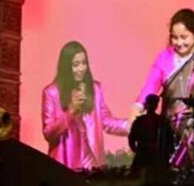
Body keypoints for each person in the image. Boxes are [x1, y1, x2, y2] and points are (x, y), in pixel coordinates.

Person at [42, 41, 129, 170]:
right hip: (64, 164)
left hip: (92, 163)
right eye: (76, 65)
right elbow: (48, 133)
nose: (81, 68)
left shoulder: (95, 89)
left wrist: (132, 125)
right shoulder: (51, 93)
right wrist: (71, 111)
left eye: (84, 63)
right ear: (66, 67)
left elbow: (106, 120)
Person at [131, 8, 194, 171]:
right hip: (169, 127)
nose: (179, 43)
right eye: (174, 37)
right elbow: (151, 85)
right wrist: (138, 106)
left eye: (184, 37)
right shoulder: (164, 58)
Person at [128, 94, 175, 180]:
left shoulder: (161, 121)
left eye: (154, 104)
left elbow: (169, 138)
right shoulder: (141, 121)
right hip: (144, 154)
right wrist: (135, 149)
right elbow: (132, 137)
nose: (152, 106)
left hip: (157, 156)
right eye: (150, 103)